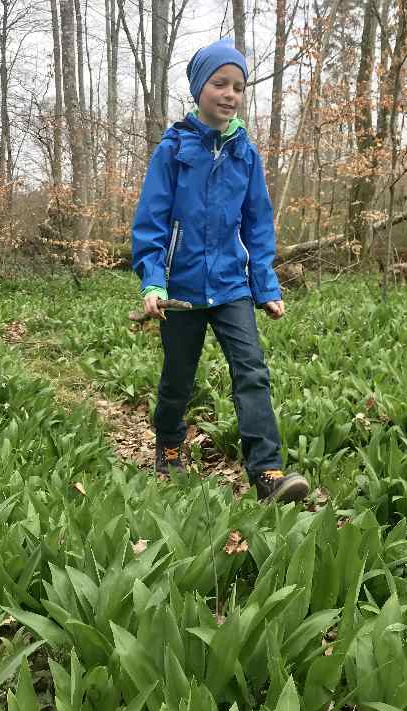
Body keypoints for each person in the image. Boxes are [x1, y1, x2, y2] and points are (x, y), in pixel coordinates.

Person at [130, 38, 310, 503]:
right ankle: (169, 445)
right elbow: (151, 222)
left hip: (232, 287)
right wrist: (153, 280)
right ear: (198, 88)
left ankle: (267, 472)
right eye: (220, 83)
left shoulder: (246, 154)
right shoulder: (172, 151)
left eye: (238, 86)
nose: (230, 94)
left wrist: (264, 284)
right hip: (182, 291)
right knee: (178, 378)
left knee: (251, 372)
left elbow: (257, 223)